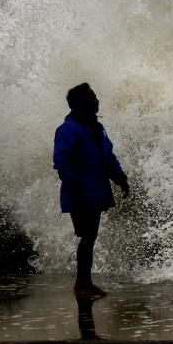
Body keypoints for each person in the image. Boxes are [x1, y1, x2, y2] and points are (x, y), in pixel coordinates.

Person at [53, 83, 129, 299]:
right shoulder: (68, 129)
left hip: (95, 191)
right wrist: (74, 185)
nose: (97, 100)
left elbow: (108, 157)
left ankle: (85, 283)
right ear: (82, 103)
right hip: (79, 192)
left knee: (90, 236)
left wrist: (120, 178)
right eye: (93, 97)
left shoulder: (96, 128)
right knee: (87, 236)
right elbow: (62, 159)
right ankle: (82, 285)